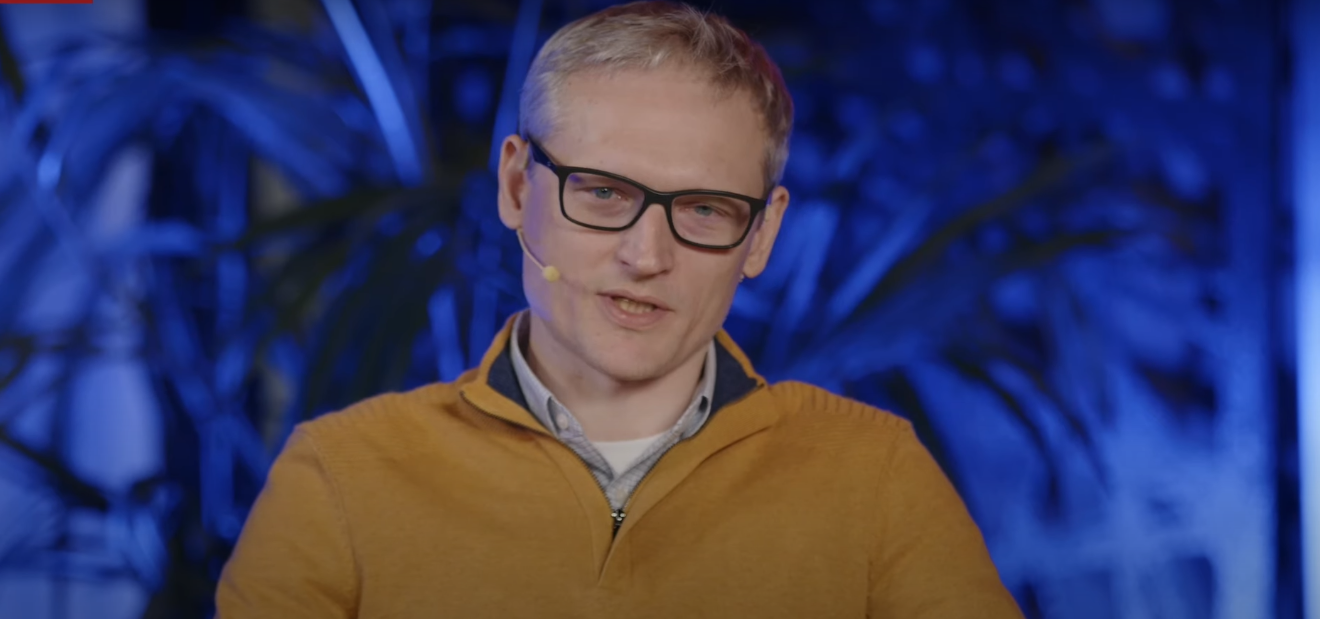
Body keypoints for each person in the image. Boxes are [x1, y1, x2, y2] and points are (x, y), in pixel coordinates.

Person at [216, 2, 1025, 617]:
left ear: (762, 234)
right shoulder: (341, 480)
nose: (646, 254)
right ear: (517, 186)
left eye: (704, 209)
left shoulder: (875, 479)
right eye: (602, 193)